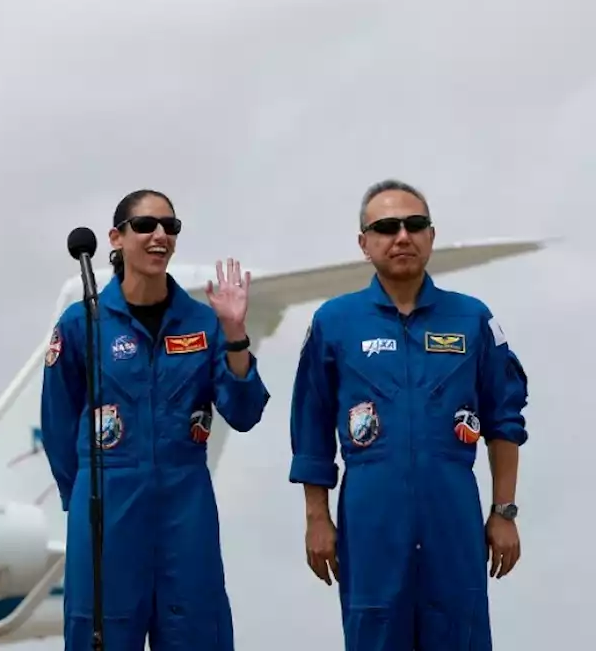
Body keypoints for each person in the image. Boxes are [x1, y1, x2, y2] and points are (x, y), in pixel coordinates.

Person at [289, 179, 528, 650]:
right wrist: (317, 518)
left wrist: (504, 511)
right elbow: (311, 428)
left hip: (452, 510)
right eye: (386, 227)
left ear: (431, 236)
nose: (402, 236)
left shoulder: (473, 319)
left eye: (414, 225)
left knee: (459, 628)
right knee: (374, 629)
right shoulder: (334, 323)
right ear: (364, 243)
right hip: (369, 514)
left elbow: (505, 420)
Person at [39, 189, 271, 650]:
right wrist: (85, 496)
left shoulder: (203, 325)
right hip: (107, 506)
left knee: (196, 633)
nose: (159, 234)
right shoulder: (81, 323)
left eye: (170, 226)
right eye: (145, 225)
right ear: (116, 238)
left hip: (185, 508)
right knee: (98, 635)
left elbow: (243, 413)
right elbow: (57, 425)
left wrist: (236, 335)